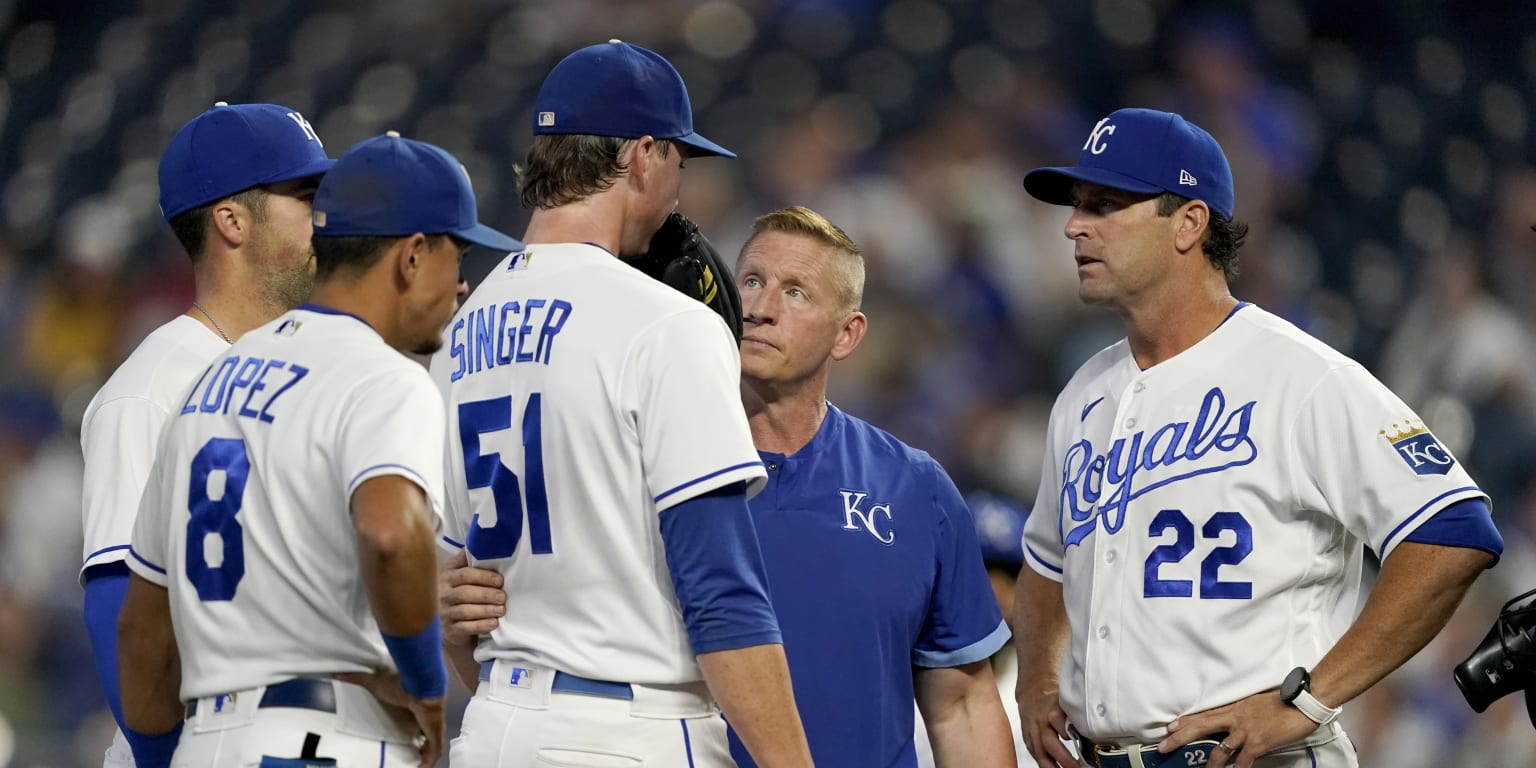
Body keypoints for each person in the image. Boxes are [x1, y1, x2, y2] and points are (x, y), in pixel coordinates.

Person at [1013, 107, 1504, 768]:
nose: (1074, 225)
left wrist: (1309, 701)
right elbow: (1045, 562)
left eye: (1104, 204)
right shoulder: (1082, 396)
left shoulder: (1301, 376)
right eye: (1077, 205)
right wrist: (1037, 678)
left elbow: (1454, 532)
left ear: (1188, 221)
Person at [428, 40, 813, 767]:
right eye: (678, 161)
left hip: (496, 723)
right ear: (641, 155)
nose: (677, 190)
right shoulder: (668, 323)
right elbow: (722, 598)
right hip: (629, 732)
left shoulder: (458, 333)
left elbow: (458, 602)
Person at [116, 132, 522, 767]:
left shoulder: (211, 379)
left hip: (205, 740)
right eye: (457, 255)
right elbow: (390, 535)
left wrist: (158, 755)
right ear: (412, 256)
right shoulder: (383, 378)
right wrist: (425, 686)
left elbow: (142, 630)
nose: (462, 284)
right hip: (321, 737)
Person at [79, 101, 333, 768]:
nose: (324, 218)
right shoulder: (151, 389)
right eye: (305, 196)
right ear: (231, 220)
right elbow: (118, 610)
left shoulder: (314, 368)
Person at [726, 206, 1013, 767]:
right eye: (752, 282)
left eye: (795, 292)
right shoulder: (659, 463)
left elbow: (962, 705)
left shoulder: (916, 488)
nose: (760, 310)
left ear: (847, 334)